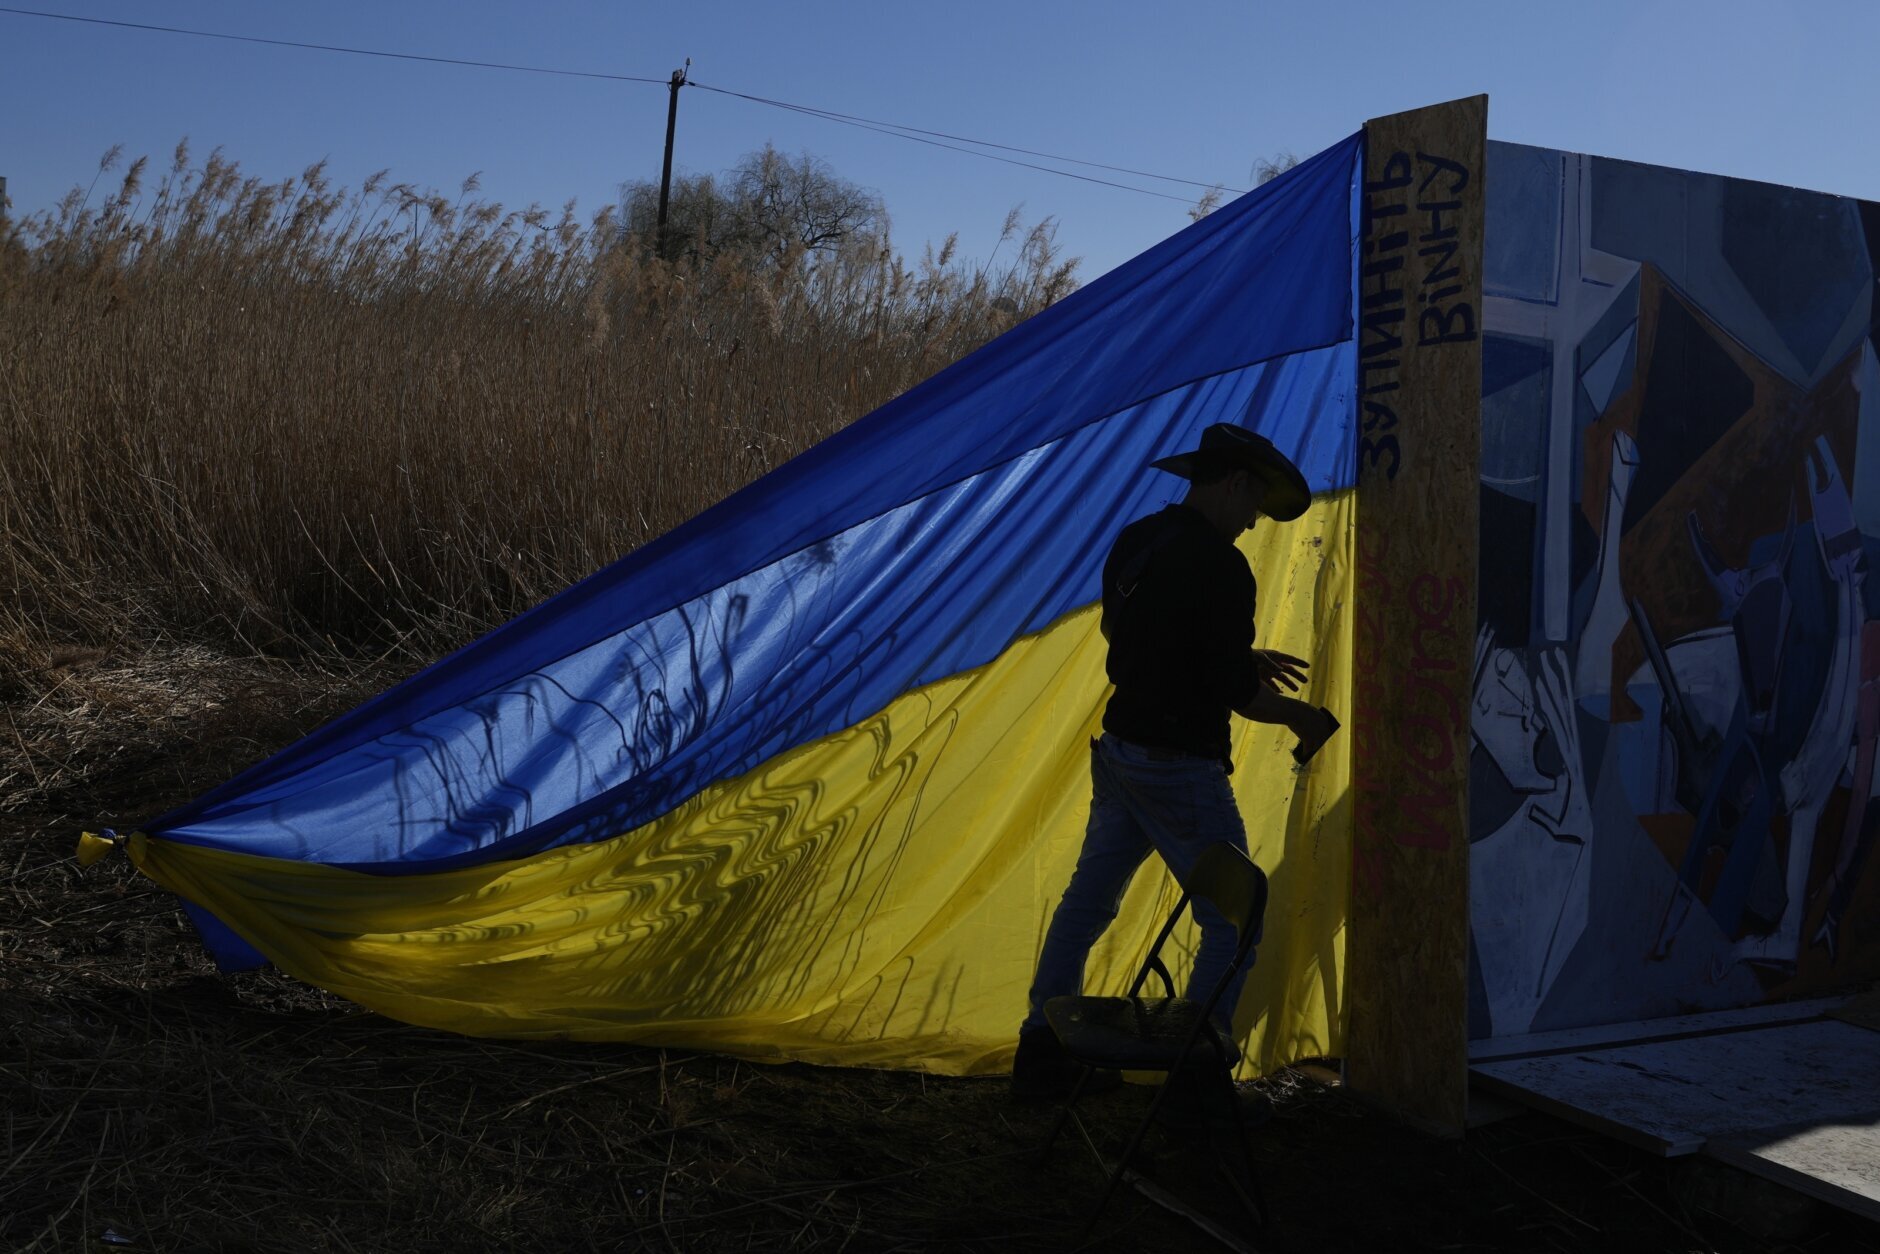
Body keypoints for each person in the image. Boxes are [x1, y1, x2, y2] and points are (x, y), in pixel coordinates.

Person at [1011, 421, 1339, 1100]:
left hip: (1120, 752)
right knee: (1234, 921)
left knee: (1087, 902)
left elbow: (1129, 632)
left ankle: (1041, 1051)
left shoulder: (1139, 539)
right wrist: (1300, 717)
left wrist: (1231, 657)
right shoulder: (1222, 566)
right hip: (1178, 766)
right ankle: (1197, 1076)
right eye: (1254, 503)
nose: (1254, 521)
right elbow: (1237, 695)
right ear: (1235, 483)